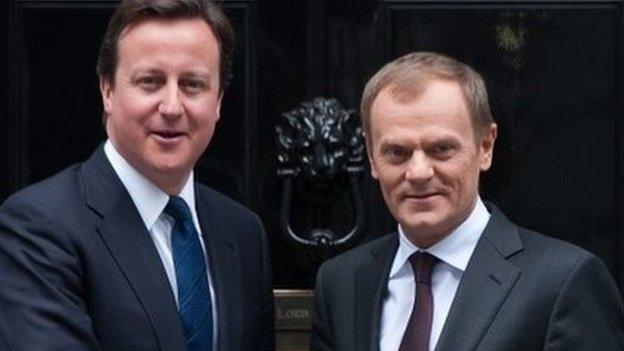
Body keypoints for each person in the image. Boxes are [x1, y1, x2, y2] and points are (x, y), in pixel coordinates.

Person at [0, 1, 274, 350]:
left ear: (218, 99)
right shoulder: (37, 227)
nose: (172, 106)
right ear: (107, 90)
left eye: (193, 84)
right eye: (150, 82)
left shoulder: (243, 234)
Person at [310, 52, 624, 351]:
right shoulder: (341, 283)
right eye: (397, 153)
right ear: (372, 158)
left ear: (485, 146)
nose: (418, 172)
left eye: (441, 149)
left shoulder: (562, 282)